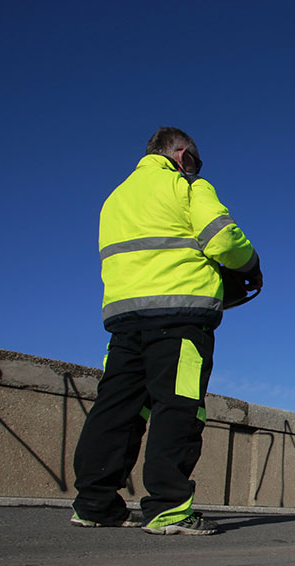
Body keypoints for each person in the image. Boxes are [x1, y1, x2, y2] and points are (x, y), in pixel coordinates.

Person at [71, 127, 262, 536]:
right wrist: (250, 264)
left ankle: (93, 502)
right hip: (179, 318)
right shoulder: (187, 187)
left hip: (124, 320)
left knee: (116, 409)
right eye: (194, 161)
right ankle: (168, 508)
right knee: (178, 406)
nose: (196, 170)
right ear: (180, 154)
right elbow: (223, 239)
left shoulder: (115, 198)